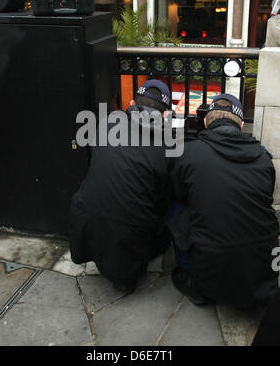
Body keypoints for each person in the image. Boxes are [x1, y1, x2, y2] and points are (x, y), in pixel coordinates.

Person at [168, 93, 279, 309]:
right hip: (263, 270)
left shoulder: (189, 152)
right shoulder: (264, 157)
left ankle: (192, 277)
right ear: (239, 125)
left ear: (207, 122)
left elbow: (178, 193)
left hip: (210, 273)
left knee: (174, 207)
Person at [69, 80, 173, 293]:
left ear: (133, 102)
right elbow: (163, 200)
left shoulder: (107, 123)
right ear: (164, 115)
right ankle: (125, 274)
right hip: (129, 232)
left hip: (85, 217)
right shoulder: (167, 145)